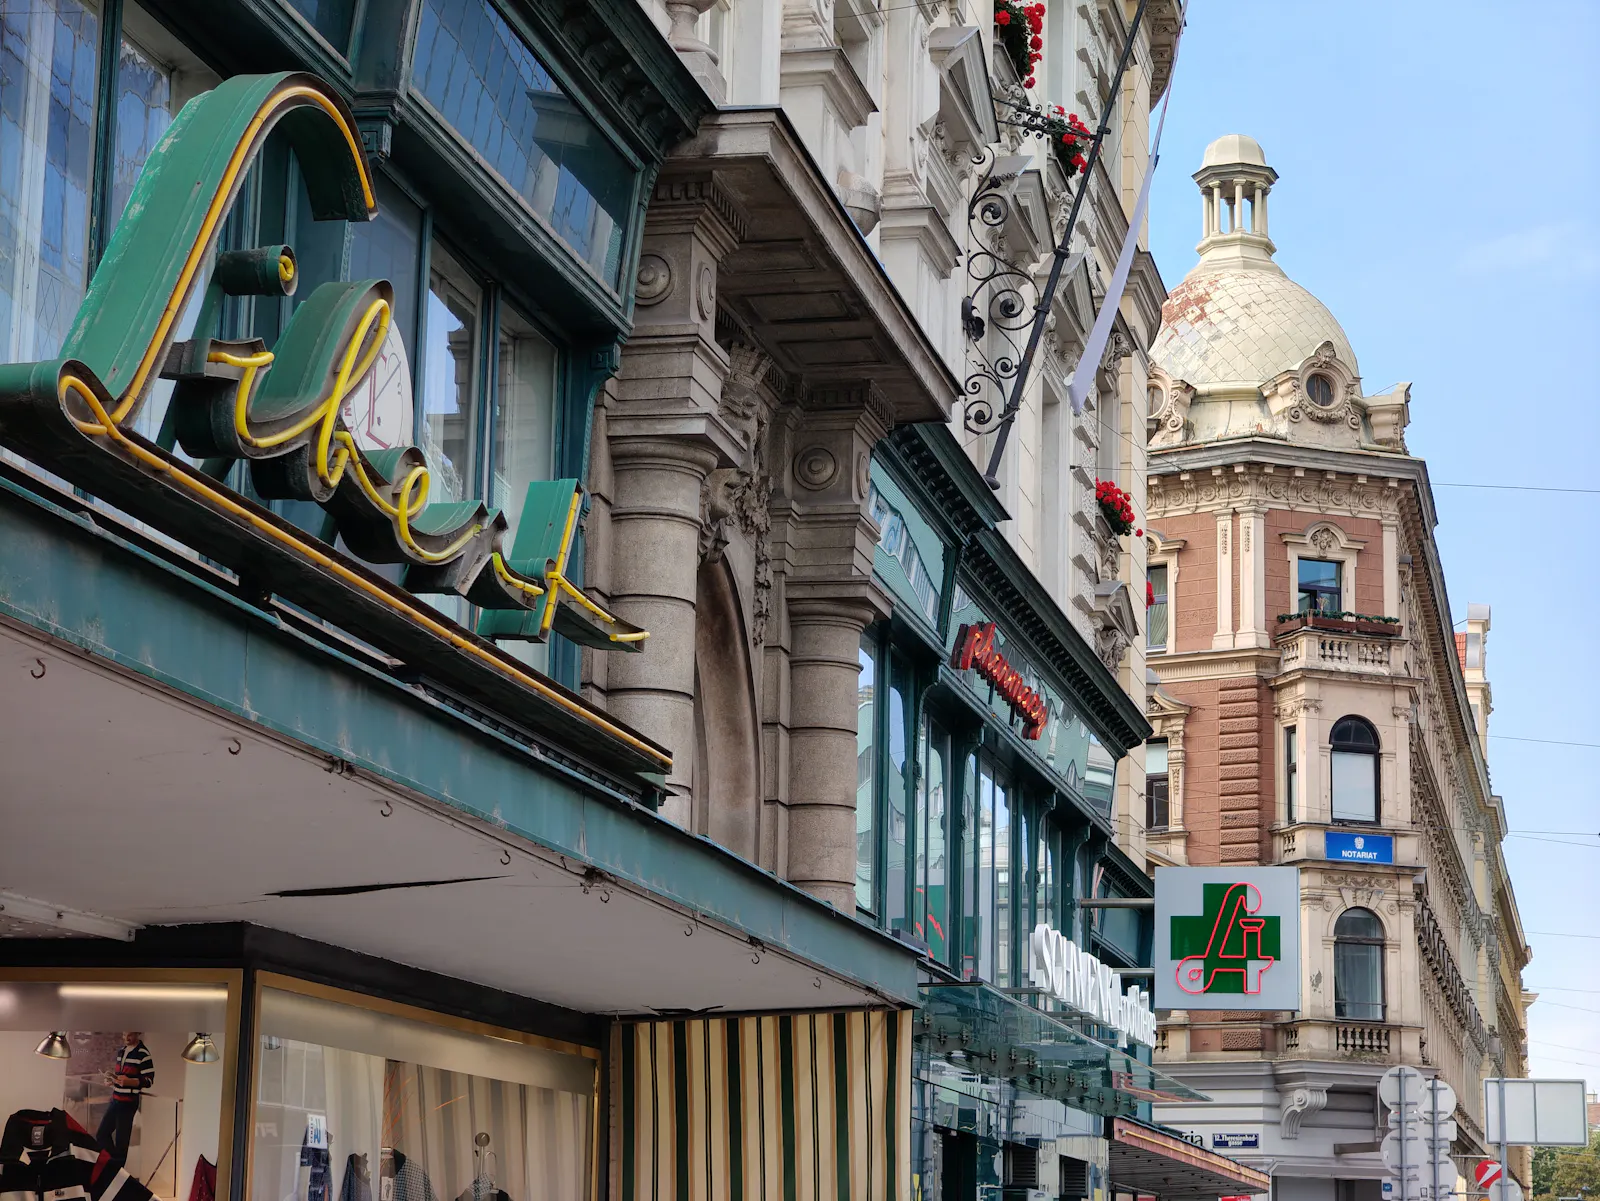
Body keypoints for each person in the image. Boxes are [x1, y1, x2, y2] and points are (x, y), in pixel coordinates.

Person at [95, 1032, 154, 1169]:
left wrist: (130, 1082)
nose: (126, 1038)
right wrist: (112, 1080)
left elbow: (149, 1080)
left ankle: (116, 1170)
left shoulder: (143, 1054)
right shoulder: (121, 1051)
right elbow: (121, 1076)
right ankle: (114, 1166)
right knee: (101, 1134)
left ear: (138, 1033)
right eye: (124, 1034)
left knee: (121, 1143)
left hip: (128, 1102)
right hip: (116, 1099)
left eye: (130, 1035)